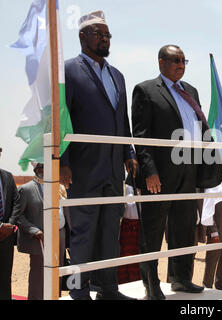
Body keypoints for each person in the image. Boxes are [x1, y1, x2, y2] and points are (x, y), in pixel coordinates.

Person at [131, 45, 221, 300]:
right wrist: (149, 169)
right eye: (176, 60)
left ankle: (181, 279)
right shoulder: (146, 90)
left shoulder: (190, 91)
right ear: (161, 62)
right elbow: (141, 134)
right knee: (153, 230)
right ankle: (151, 284)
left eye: (184, 61)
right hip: (159, 174)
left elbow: (200, 129)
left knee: (184, 228)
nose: (181, 65)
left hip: (189, 169)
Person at [60, 11, 138, 300]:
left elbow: (123, 120)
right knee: (81, 235)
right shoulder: (67, 70)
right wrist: (63, 162)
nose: (105, 39)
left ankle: (108, 288)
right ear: (83, 36)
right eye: (99, 34)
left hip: (113, 169)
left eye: (108, 35)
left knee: (109, 233)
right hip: (82, 168)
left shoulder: (118, 75)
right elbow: (61, 118)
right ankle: (78, 293)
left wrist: (128, 152)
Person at [15, 163, 67, 300]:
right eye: (41, 167)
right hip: (40, 237)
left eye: (47, 166)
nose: (44, 169)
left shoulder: (60, 187)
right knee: (39, 275)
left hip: (60, 235)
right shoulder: (26, 189)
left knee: (57, 273)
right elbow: (18, 216)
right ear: (36, 169)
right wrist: (34, 231)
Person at [0, 147, 21, 300]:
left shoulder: (7, 177)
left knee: (4, 276)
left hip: (6, 237)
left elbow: (16, 202)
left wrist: (11, 224)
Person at [117, 174, 141, 284]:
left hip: (140, 223)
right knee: (124, 257)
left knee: (138, 260)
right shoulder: (124, 176)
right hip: (126, 223)